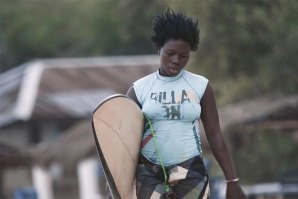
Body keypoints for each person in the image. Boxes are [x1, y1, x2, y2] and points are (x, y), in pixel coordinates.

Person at [127, 9, 246, 199]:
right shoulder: (139, 89)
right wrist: (116, 182)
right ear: (159, 49)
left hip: (190, 170)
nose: (176, 60)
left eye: (183, 56)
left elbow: (215, 134)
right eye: (170, 53)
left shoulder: (201, 86)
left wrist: (232, 181)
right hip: (149, 172)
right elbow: (124, 141)